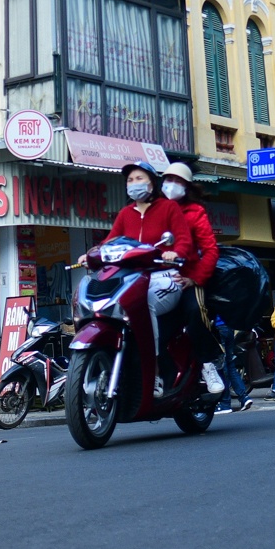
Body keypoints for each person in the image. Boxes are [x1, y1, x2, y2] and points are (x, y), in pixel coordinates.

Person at [97, 161, 194, 396]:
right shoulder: (125, 214)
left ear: (152, 182)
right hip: (132, 278)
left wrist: (175, 253)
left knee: (144, 302)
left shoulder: (168, 208)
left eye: (139, 179)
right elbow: (110, 241)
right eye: (130, 180)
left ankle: (156, 372)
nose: (134, 184)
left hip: (165, 276)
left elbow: (184, 241)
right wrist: (94, 252)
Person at [161, 162, 226, 397]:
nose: (172, 186)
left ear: (186, 187)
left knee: (193, 313)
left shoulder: (195, 212)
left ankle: (208, 364)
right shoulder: (154, 210)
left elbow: (210, 251)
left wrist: (195, 278)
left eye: (178, 182)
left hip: (186, 279)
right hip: (156, 280)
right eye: (169, 180)